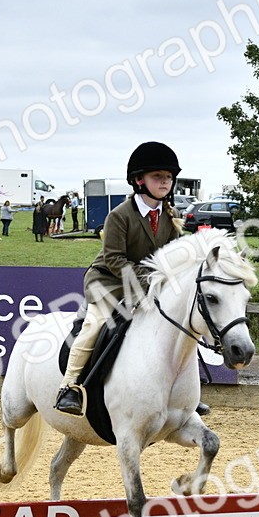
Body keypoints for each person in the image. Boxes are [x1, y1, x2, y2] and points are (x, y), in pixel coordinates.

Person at [55, 141, 185, 416]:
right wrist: (153, 277)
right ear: (139, 180)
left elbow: (173, 256)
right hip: (110, 282)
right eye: (158, 177)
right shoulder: (119, 216)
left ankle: (182, 393)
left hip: (148, 283)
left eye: (169, 177)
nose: (165, 182)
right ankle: (69, 388)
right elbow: (114, 259)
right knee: (94, 324)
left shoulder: (170, 217)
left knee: (177, 322)